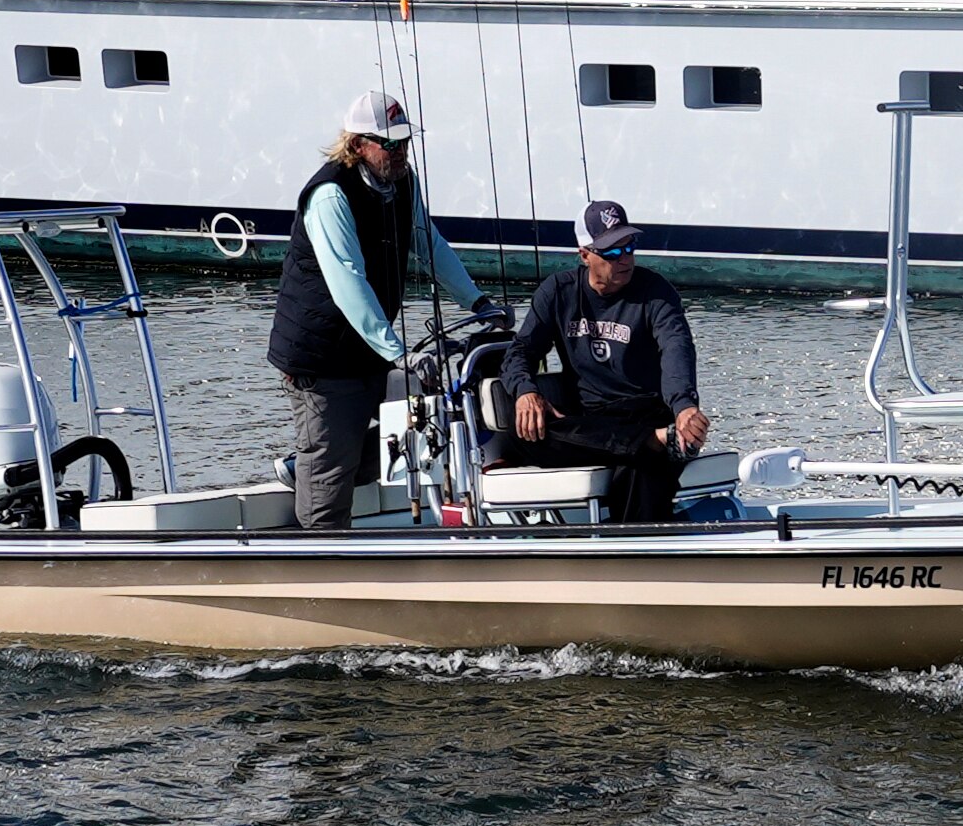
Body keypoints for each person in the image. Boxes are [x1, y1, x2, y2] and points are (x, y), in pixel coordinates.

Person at [266, 90, 481, 528]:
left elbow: (427, 242)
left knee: (432, 424)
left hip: (370, 348)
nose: (402, 153)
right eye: (392, 144)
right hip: (323, 357)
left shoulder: (403, 181)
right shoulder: (330, 195)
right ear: (358, 144)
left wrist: (477, 301)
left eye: (406, 143)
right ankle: (324, 556)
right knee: (331, 478)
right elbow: (348, 281)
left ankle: (301, 465)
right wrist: (396, 350)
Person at [496, 199, 706, 524]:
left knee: (641, 468)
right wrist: (525, 391)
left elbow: (676, 348)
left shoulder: (656, 292)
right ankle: (655, 442)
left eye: (629, 247)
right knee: (522, 429)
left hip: (645, 410)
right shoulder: (558, 291)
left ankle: (640, 554)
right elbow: (520, 352)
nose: (624, 259)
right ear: (584, 254)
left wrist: (684, 407)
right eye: (611, 252)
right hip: (592, 420)